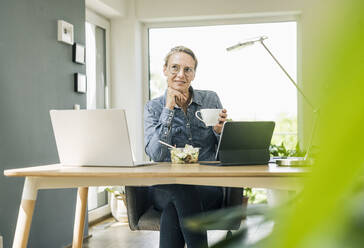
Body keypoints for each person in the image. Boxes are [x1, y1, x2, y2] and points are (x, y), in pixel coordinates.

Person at [144, 46, 228, 248]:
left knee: (176, 206)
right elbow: (155, 154)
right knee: (180, 190)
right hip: (165, 188)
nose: (181, 74)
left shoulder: (210, 99)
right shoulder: (154, 107)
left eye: (187, 69)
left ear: (194, 74)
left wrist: (220, 131)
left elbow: (224, 153)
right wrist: (169, 108)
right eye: (174, 67)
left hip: (206, 187)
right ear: (164, 70)